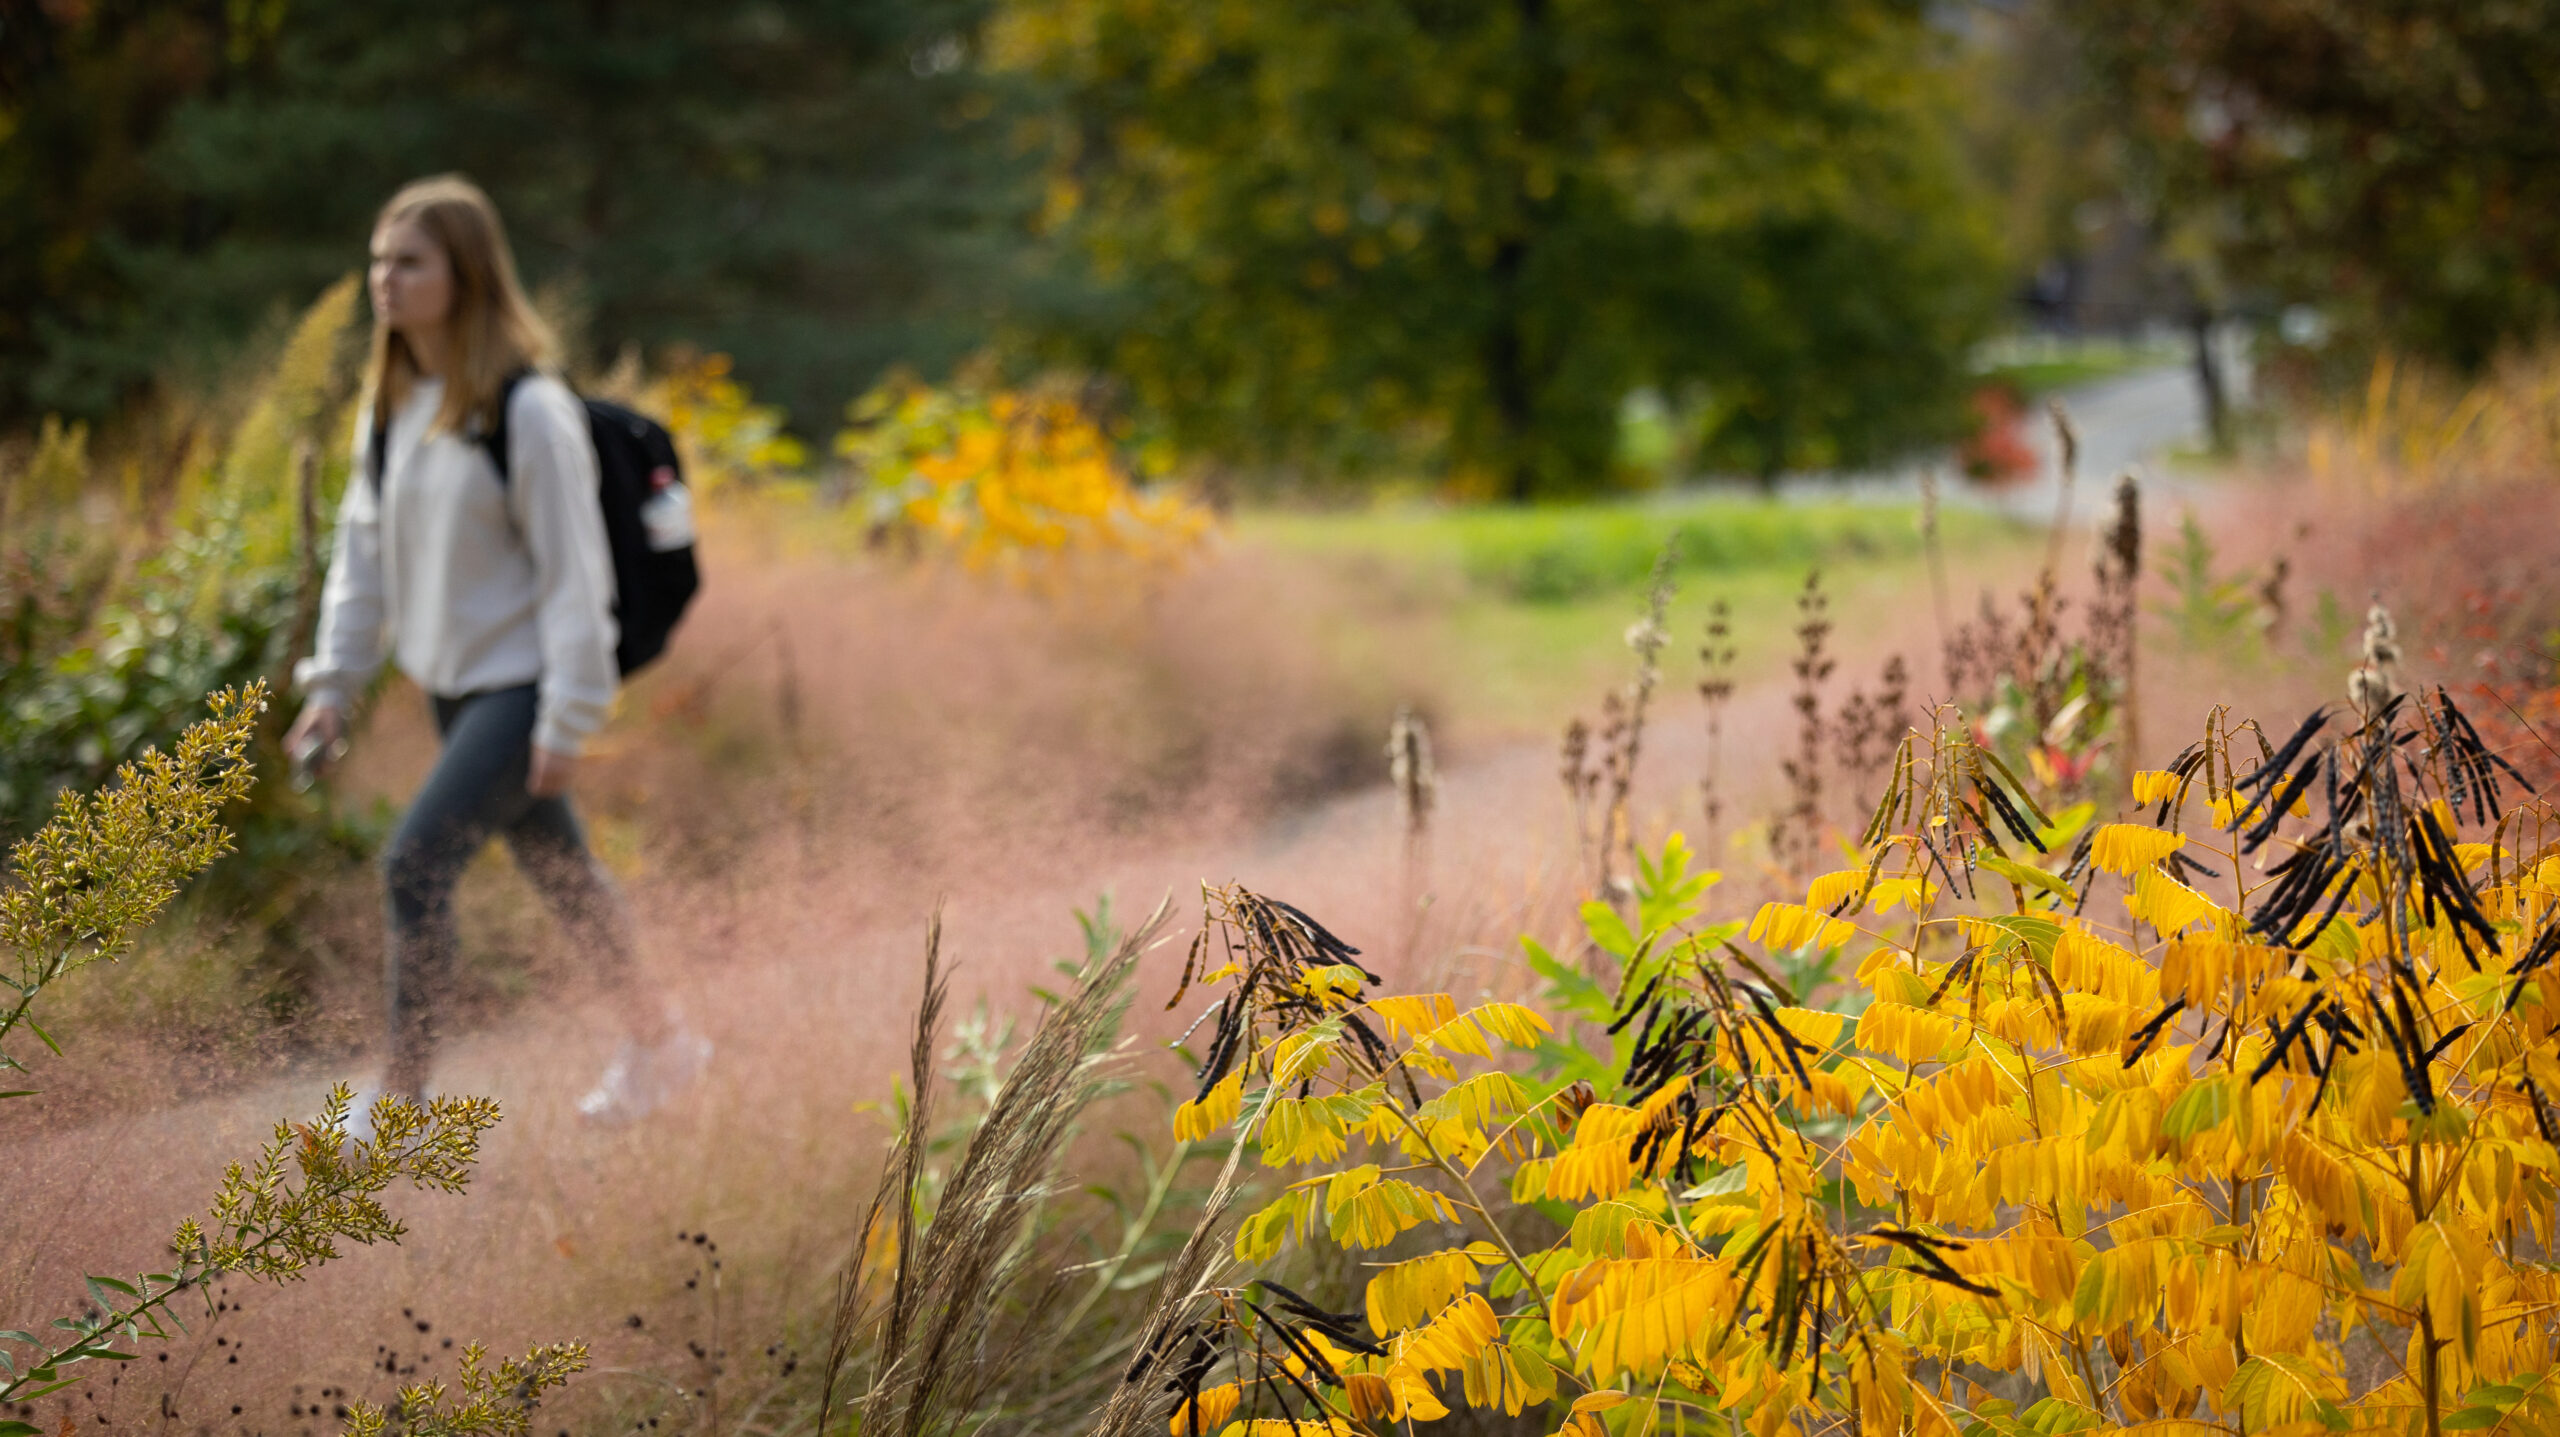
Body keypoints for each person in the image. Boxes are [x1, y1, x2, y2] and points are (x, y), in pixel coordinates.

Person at [286, 174, 705, 1124]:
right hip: (455, 689)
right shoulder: (391, 409)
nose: (385, 281)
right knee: (565, 876)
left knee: (414, 864)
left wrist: (566, 717)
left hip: (524, 691)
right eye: (378, 262)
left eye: (410, 262)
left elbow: (575, 578)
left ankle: (398, 1107)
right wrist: (334, 688)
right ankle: (664, 1043)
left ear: (465, 273)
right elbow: (362, 560)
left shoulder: (527, 410)